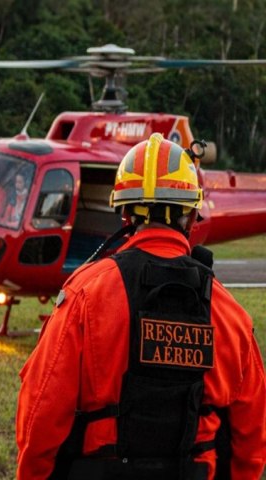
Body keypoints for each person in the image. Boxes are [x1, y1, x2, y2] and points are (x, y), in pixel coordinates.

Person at [16, 133, 266, 480]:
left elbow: (41, 410)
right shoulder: (229, 314)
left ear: (124, 214)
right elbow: (252, 435)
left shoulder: (85, 295)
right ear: (192, 215)